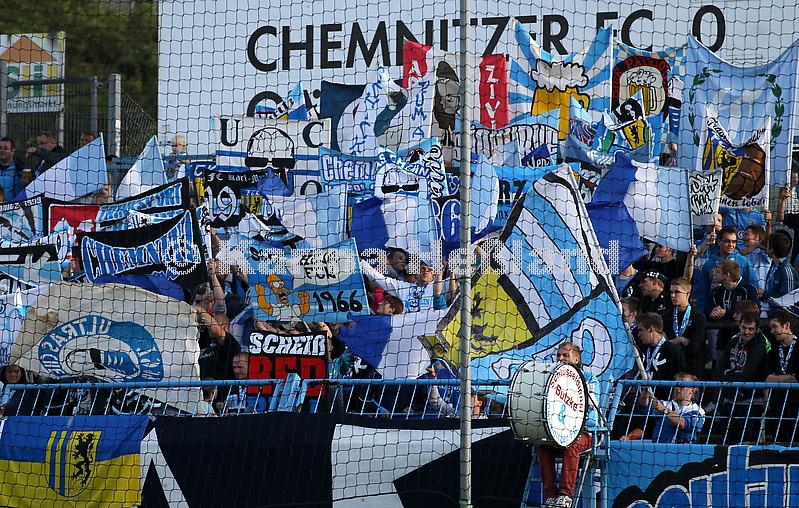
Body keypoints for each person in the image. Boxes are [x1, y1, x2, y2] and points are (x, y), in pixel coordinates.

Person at [535, 342, 597, 508]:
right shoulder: (551, 379)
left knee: (572, 444)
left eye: (565, 355)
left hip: (586, 433)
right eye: (558, 355)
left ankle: (565, 496)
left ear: (576, 359)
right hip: (557, 434)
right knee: (542, 445)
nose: (560, 358)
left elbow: (593, 413)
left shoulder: (589, 379)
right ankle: (550, 496)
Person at [712, 312, 769, 443]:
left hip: (751, 402)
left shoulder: (760, 343)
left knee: (748, 443)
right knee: (727, 442)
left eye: (751, 329)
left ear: (757, 329)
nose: (746, 332)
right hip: (730, 400)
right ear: (739, 325)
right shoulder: (734, 340)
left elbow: (748, 372)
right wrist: (728, 380)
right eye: (744, 328)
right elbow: (721, 367)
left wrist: (728, 377)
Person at [620, 372, 705, 443]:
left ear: (692, 390)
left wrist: (664, 410)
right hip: (660, 450)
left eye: (682, 386)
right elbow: (644, 406)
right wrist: (646, 390)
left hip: (683, 452)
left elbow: (684, 424)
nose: (677, 388)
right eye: (676, 385)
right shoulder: (665, 404)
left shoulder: (698, 411)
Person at [764, 310, 798, 444]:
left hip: (796, 407)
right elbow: (767, 378)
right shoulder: (773, 351)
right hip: (778, 407)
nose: (772, 331)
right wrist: (790, 377)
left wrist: (776, 378)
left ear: (787, 325)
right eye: (771, 328)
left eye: (775, 327)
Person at [661, 278, 706, 378]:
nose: (673, 295)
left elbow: (694, 346)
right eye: (671, 292)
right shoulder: (665, 316)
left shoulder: (698, 317)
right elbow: (662, 344)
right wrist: (683, 340)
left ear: (687, 294)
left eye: (677, 292)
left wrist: (675, 341)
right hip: (671, 365)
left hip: (691, 365)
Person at [635, 313, 687, 397]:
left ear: (651, 329)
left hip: (666, 401)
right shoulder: (642, 350)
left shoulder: (672, 350)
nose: (639, 334)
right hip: (644, 399)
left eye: (641, 330)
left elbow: (682, 377)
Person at [762, 230, 799, 301]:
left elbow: (787, 299)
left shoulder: (787, 271)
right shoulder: (774, 265)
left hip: (779, 308)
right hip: (768, 305)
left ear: (772, 249)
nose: (765, 247)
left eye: (768, 245)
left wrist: (765, 294)